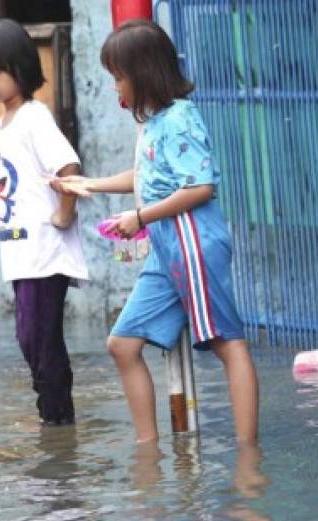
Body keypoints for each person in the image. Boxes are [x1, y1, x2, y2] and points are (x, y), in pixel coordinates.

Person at [53, 19, 259, 444]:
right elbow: (147, 176)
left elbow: (200, 187)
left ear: (143, 73)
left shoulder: (180, 118)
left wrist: (141, 218)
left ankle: (246, 454)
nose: (115, 87)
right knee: (122, 344)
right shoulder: (154, 122)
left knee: (227, 343)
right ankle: (148, 451)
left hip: (192, 243)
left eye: (118, 76)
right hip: (167, 249)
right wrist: (89, 183)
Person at [0, 19, 86, 426]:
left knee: (41, 342)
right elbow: (13, 186)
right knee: (30, 341)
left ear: (20, 70)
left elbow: (69, 168)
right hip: (21, 252)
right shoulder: (3, 123)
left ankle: (58, 425)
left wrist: (62, 215)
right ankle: (56, 425)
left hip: (43, 251)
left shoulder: (34, 117)